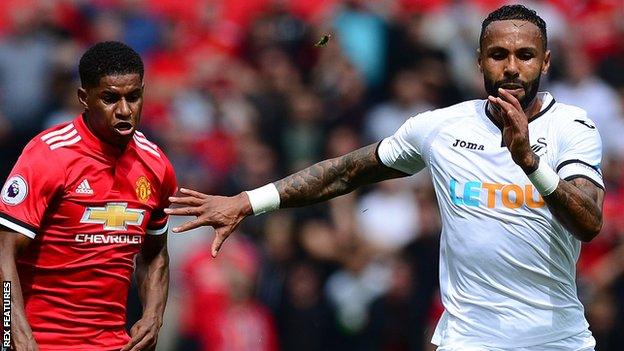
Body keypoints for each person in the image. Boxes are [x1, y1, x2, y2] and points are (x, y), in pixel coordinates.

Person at [166, 4, 604, 351]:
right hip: (470, 339)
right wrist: (248, 201)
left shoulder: (572, 127)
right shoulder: (440, 128)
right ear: (479, 61)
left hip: (555, 338)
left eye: (525, 55)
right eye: (498, 54)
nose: (511, 67)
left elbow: (589, 222)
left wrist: (530, 163)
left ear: (545, 61)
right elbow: (345, 173)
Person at [0, 41, 177, 351]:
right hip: (40, 342)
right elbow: (2, 251)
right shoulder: (48, 156)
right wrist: (11, 333)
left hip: (112, 344)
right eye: (110, 98)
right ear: (84, 97)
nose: (124, 110)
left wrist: (153, 315)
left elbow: (155, 253)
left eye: (133, 97)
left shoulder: (156, 165)